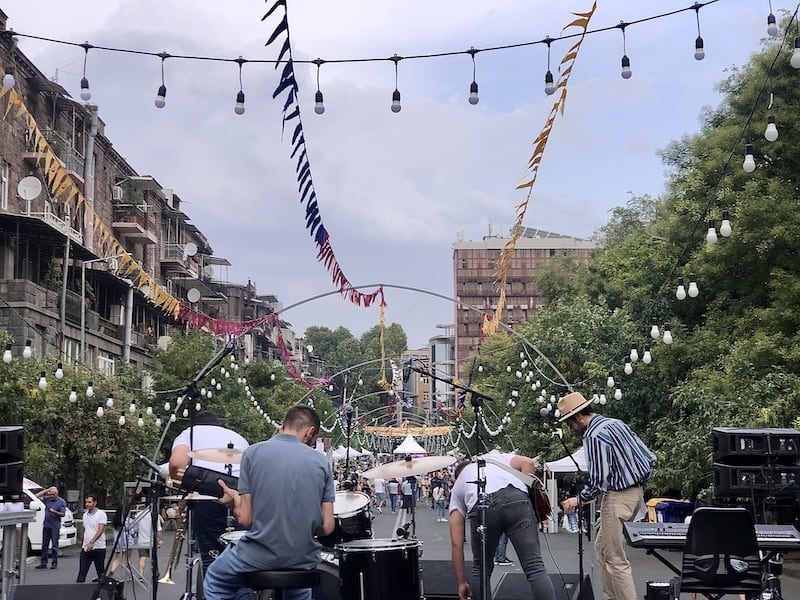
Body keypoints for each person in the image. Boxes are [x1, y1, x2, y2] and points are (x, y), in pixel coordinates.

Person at [203, 405, 335, 600]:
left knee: (215, 579)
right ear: (310, 432)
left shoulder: (252, 454)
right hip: (303, 557)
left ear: (282, 427)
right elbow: (327, 527)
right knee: (298, 588)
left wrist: (235, 503)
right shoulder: (321, 462)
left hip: (259, 555)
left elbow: (246, 521)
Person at [558, 392, 656, 600]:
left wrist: (579, 499)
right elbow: (649, 457)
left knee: (614, 558)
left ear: (578, 417)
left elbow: (599, 479)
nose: (571, 429)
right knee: (602, 548)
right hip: (635, 492)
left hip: (618, 495)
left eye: (569, 423)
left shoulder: (593, 435)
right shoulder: (616, 424)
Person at [449, 453, 555, 600]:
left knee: (481, 569)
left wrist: (461, 582)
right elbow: (528, 463)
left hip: (482, 506)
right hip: (515, 497)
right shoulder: (494, 458)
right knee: (535, 567)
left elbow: (456, 543)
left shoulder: (457, 487)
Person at [169, 410, 249, 574]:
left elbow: (177, 464)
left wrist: (182, 488)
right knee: (242, 558)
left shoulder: (189, 433)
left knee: (212, 558)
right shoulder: (239, 438)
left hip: (209, 499)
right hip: (243, 498)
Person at [76, 494, 108, 583]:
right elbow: (86, 529)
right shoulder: (85, 515)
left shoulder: (101, 514)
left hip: (98, 548)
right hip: (86, 548)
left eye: (89, 502)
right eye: (86, 502)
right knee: (82, 572)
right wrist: (84, 542)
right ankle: (77, 592)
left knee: (100, 572)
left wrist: (92, 542)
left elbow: (101, 529)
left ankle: (104, 592)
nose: (87, 504)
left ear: (95, 503)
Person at [34, 485, 67, 569]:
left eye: (53, 495)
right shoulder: (47, 499)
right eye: (50, 494)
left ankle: (54, 562)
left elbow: (63, 514)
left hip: (55, 526)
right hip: (46, 525)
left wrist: (55, 512)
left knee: (54, 545)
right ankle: (43, 562)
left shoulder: (61, 502)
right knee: (44, 545)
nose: (51, 496)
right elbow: (36, 496)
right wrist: (47, 490)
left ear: (57, 494)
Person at [132, 504, 163, 582]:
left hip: (141, 540)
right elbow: (158, 530)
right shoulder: (154, 515)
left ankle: (141, 575)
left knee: (142, 557)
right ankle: (155, 574)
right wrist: (160, 540)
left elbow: (135, 529)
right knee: (154, 558)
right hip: (152, 541)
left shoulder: (138, 515)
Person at [109, 503, 135, 581]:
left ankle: (112, 571)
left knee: (117, 559)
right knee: (128, 559)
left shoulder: (115, 520)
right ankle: (129, 575)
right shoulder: (128, 520)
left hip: (117, 541)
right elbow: (132, 531)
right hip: (127, 540)